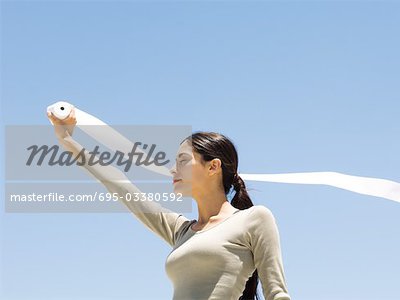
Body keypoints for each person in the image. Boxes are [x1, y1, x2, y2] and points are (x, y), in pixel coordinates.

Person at [47, 109, 291, 300]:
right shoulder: (181, 231)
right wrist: (67, 140)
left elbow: (278, 295)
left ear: (213, 167)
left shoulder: (254, 219)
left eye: (183, 160)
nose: (174, 169)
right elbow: (121, 186)